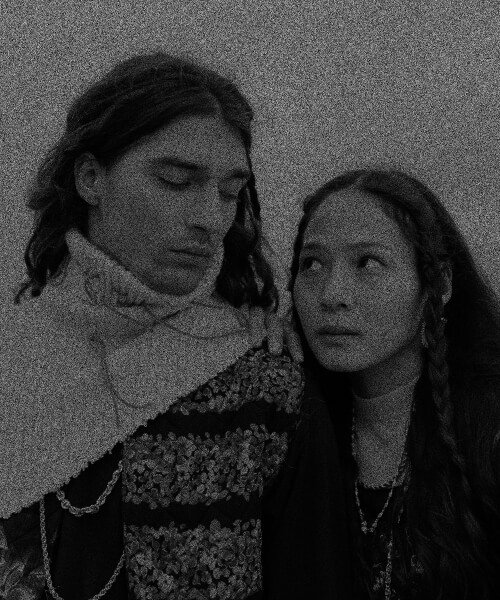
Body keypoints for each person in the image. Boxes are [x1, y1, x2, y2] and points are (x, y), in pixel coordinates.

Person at [0, 51, 308, 600]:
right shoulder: (13, 356)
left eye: (230, 192)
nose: (210, 219)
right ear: (90, 178)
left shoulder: (264, 374)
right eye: (176, 180)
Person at [288, 168, 500, 599]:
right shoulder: (293, 422)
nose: (332, 294)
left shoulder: (488, 428)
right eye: (312, 264)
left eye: (368, 263)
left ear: (438, 285)